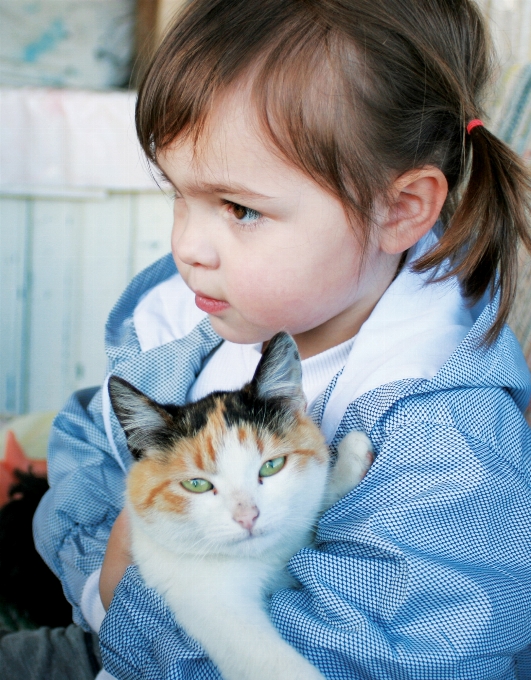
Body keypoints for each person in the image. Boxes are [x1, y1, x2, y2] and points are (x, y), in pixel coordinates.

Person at [29, 0, 531, 677]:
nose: (186, 247)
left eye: (239, 209)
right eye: (178, 195)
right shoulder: (186, 324)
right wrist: (98, 585)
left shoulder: (442, 433)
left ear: (400, 209)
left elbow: (394, 651)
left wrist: (133, 604)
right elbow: (90, 448)